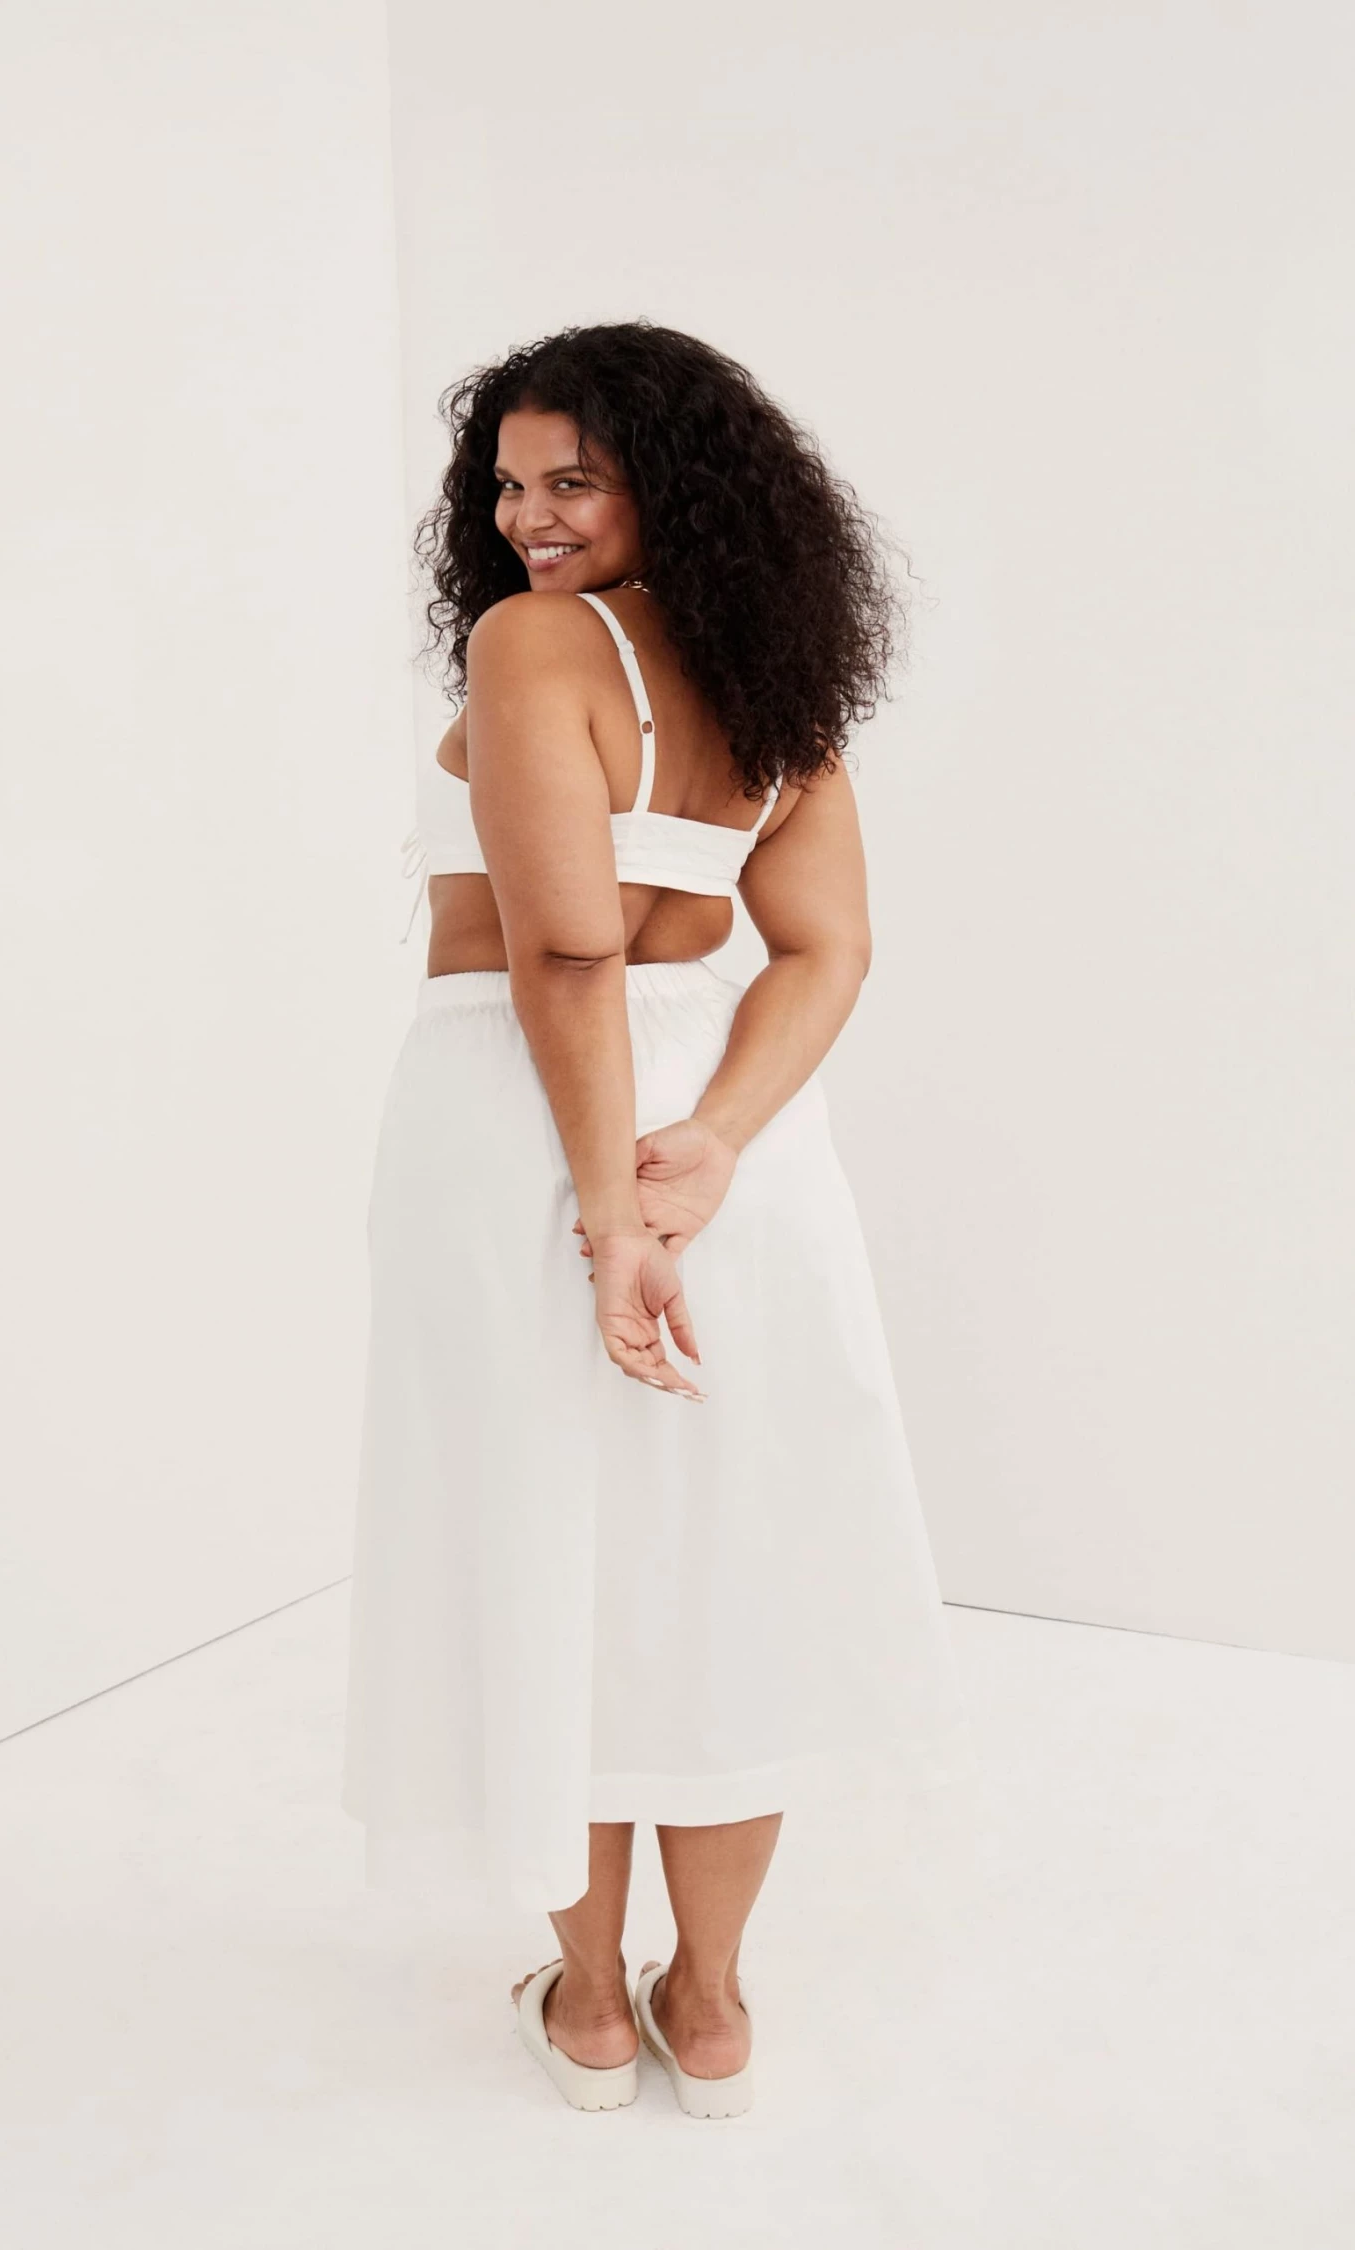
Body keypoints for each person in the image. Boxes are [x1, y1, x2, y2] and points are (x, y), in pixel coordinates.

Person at [343, 320, 974, 2117]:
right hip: (734, 1148)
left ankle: (594, 2006)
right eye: (507, 485)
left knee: (547, 1534)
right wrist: (713, 1144)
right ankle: (711, 2005)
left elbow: (564, 950)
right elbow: (826, 948)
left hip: (525, 1125)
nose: (527, 519)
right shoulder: (773, 673)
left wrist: (620, 1209)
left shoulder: (532, 644)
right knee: (720, 1556)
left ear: (668, 485)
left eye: (574, 479)